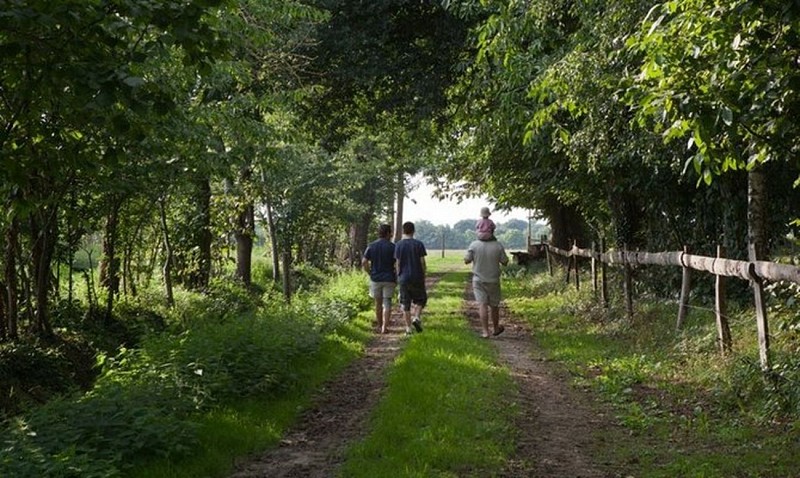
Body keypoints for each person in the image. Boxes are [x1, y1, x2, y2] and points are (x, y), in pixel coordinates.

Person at [464, 236, 509, 338]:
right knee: (494, 306)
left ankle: (485, 332)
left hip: (478, 280)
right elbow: (505, 262)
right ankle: (496, 328)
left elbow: (467, 260)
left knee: (482, 305)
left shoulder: (474, 245)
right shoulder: (498, 245)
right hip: (493, 280)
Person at [362, 224, 396, 334]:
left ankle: (379, 325)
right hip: (389, 278)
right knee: (387, 302)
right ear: (388, 233)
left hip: (375, 278)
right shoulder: (393, 247)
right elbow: (397, 262)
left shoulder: (371, 246)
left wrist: (369, 272)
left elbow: (364, 262)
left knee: (377, 303)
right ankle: (384, 327)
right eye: (391, 232)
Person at [395, 221, 427, 334]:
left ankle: (408, 329)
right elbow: (422, 262)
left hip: (404, 277)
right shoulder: (419, 244)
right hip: (417, 276)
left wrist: (399, 276)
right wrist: (424, 274)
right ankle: (417, 317)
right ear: (413, 231)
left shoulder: (398, 245)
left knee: (405, 303)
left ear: (403, 231)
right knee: (421, 299)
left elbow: (398, 263)